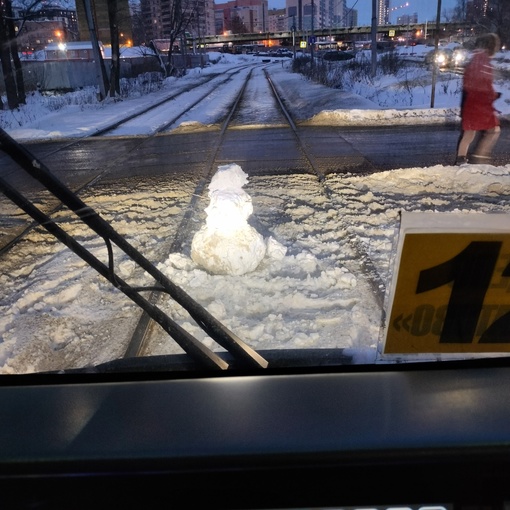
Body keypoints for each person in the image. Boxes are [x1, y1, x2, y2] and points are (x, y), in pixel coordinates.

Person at [455, 33, 501, 165]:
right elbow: (484, 86)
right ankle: (480, 158)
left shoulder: (475, 60)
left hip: (471, 104)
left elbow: (470, 83)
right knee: (494, 130)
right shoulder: (485, 64)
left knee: (469, 133)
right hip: (480, 105)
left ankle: (461, 160)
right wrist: (493, 96)